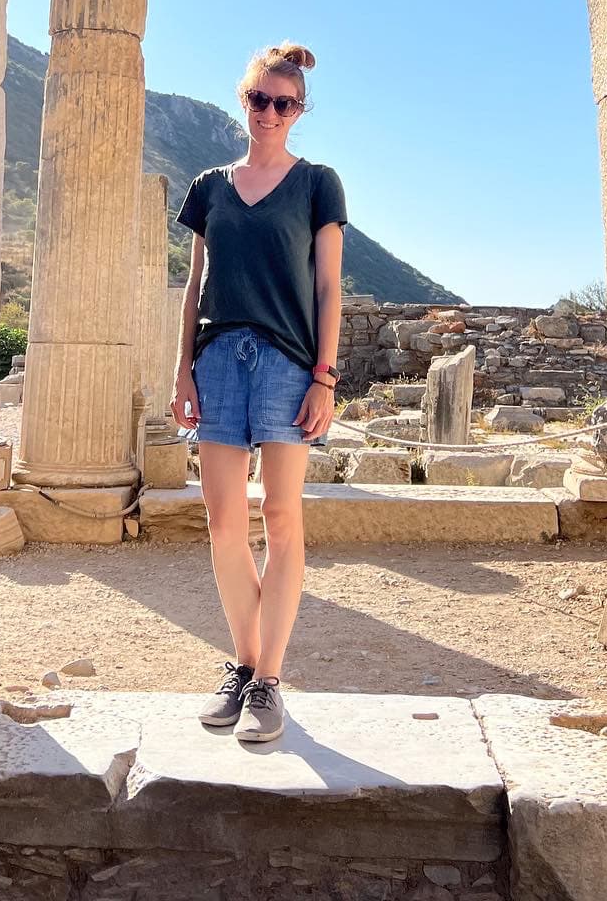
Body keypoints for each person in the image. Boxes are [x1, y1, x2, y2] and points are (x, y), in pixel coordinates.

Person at [170, 41, 347, 743]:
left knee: (280, 517)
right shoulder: (209, 186)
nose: (270, 111)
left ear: (299, 110)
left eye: (285, 102)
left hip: (286, 363)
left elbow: (331, 286)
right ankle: (244, 668)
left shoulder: (318, 184)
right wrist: (180, 370)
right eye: (259, 99)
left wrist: (325, 377)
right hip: (216, 360)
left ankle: (268, 680)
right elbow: (193, 287)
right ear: (241, 99)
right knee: (220, 524)